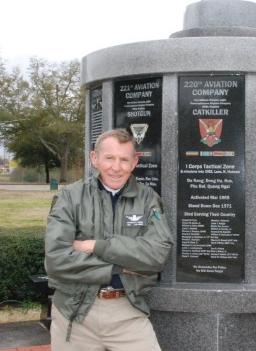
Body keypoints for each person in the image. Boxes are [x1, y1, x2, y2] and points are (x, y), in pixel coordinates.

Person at [45, 128, 173, 350]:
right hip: (74, 313)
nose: (116, 167)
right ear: (95, 159)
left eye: (124, 159)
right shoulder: (69, 197)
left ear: (134, 163)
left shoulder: (148, 199)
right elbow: (56, 261)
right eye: (109, 158)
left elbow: (158, 255)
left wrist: (97, 246)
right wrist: (120, 268)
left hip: (128, 311)